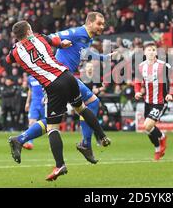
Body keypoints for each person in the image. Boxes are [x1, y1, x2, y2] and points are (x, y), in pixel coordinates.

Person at [6, 21, 111, 181]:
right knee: (82, 108)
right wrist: (62, 44)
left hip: (52, 85)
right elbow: (56, 42)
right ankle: (102, 136)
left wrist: (18, 46)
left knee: (52, 128)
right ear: (29, 31)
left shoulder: (15, 52)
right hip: (68, 76)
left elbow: (8, 60)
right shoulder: (40, 37)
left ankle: (59, 164)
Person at [134, 42, 173, 161]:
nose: (151, 52)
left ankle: (162, 137)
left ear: (156, 52)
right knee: (147, 129)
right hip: (148, 101)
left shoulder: (163, 66)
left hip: (160, 101)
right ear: (144, 53)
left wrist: (169, 94)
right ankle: (157, 149)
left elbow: (170, 80)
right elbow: (137, 82)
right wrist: (137, 91)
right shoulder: (141, 66)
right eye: (149, 50)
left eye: (153, 50)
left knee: (147, 125)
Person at [21, 75, 46, 150]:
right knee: (31, 122)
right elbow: (30, 90)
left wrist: (46, 97)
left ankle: (53, 144)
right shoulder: (30, 78)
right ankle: (30, 143)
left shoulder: (43, 75)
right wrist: (27, 102)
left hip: (44, 103)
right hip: (34, 103)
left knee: (48, 125)